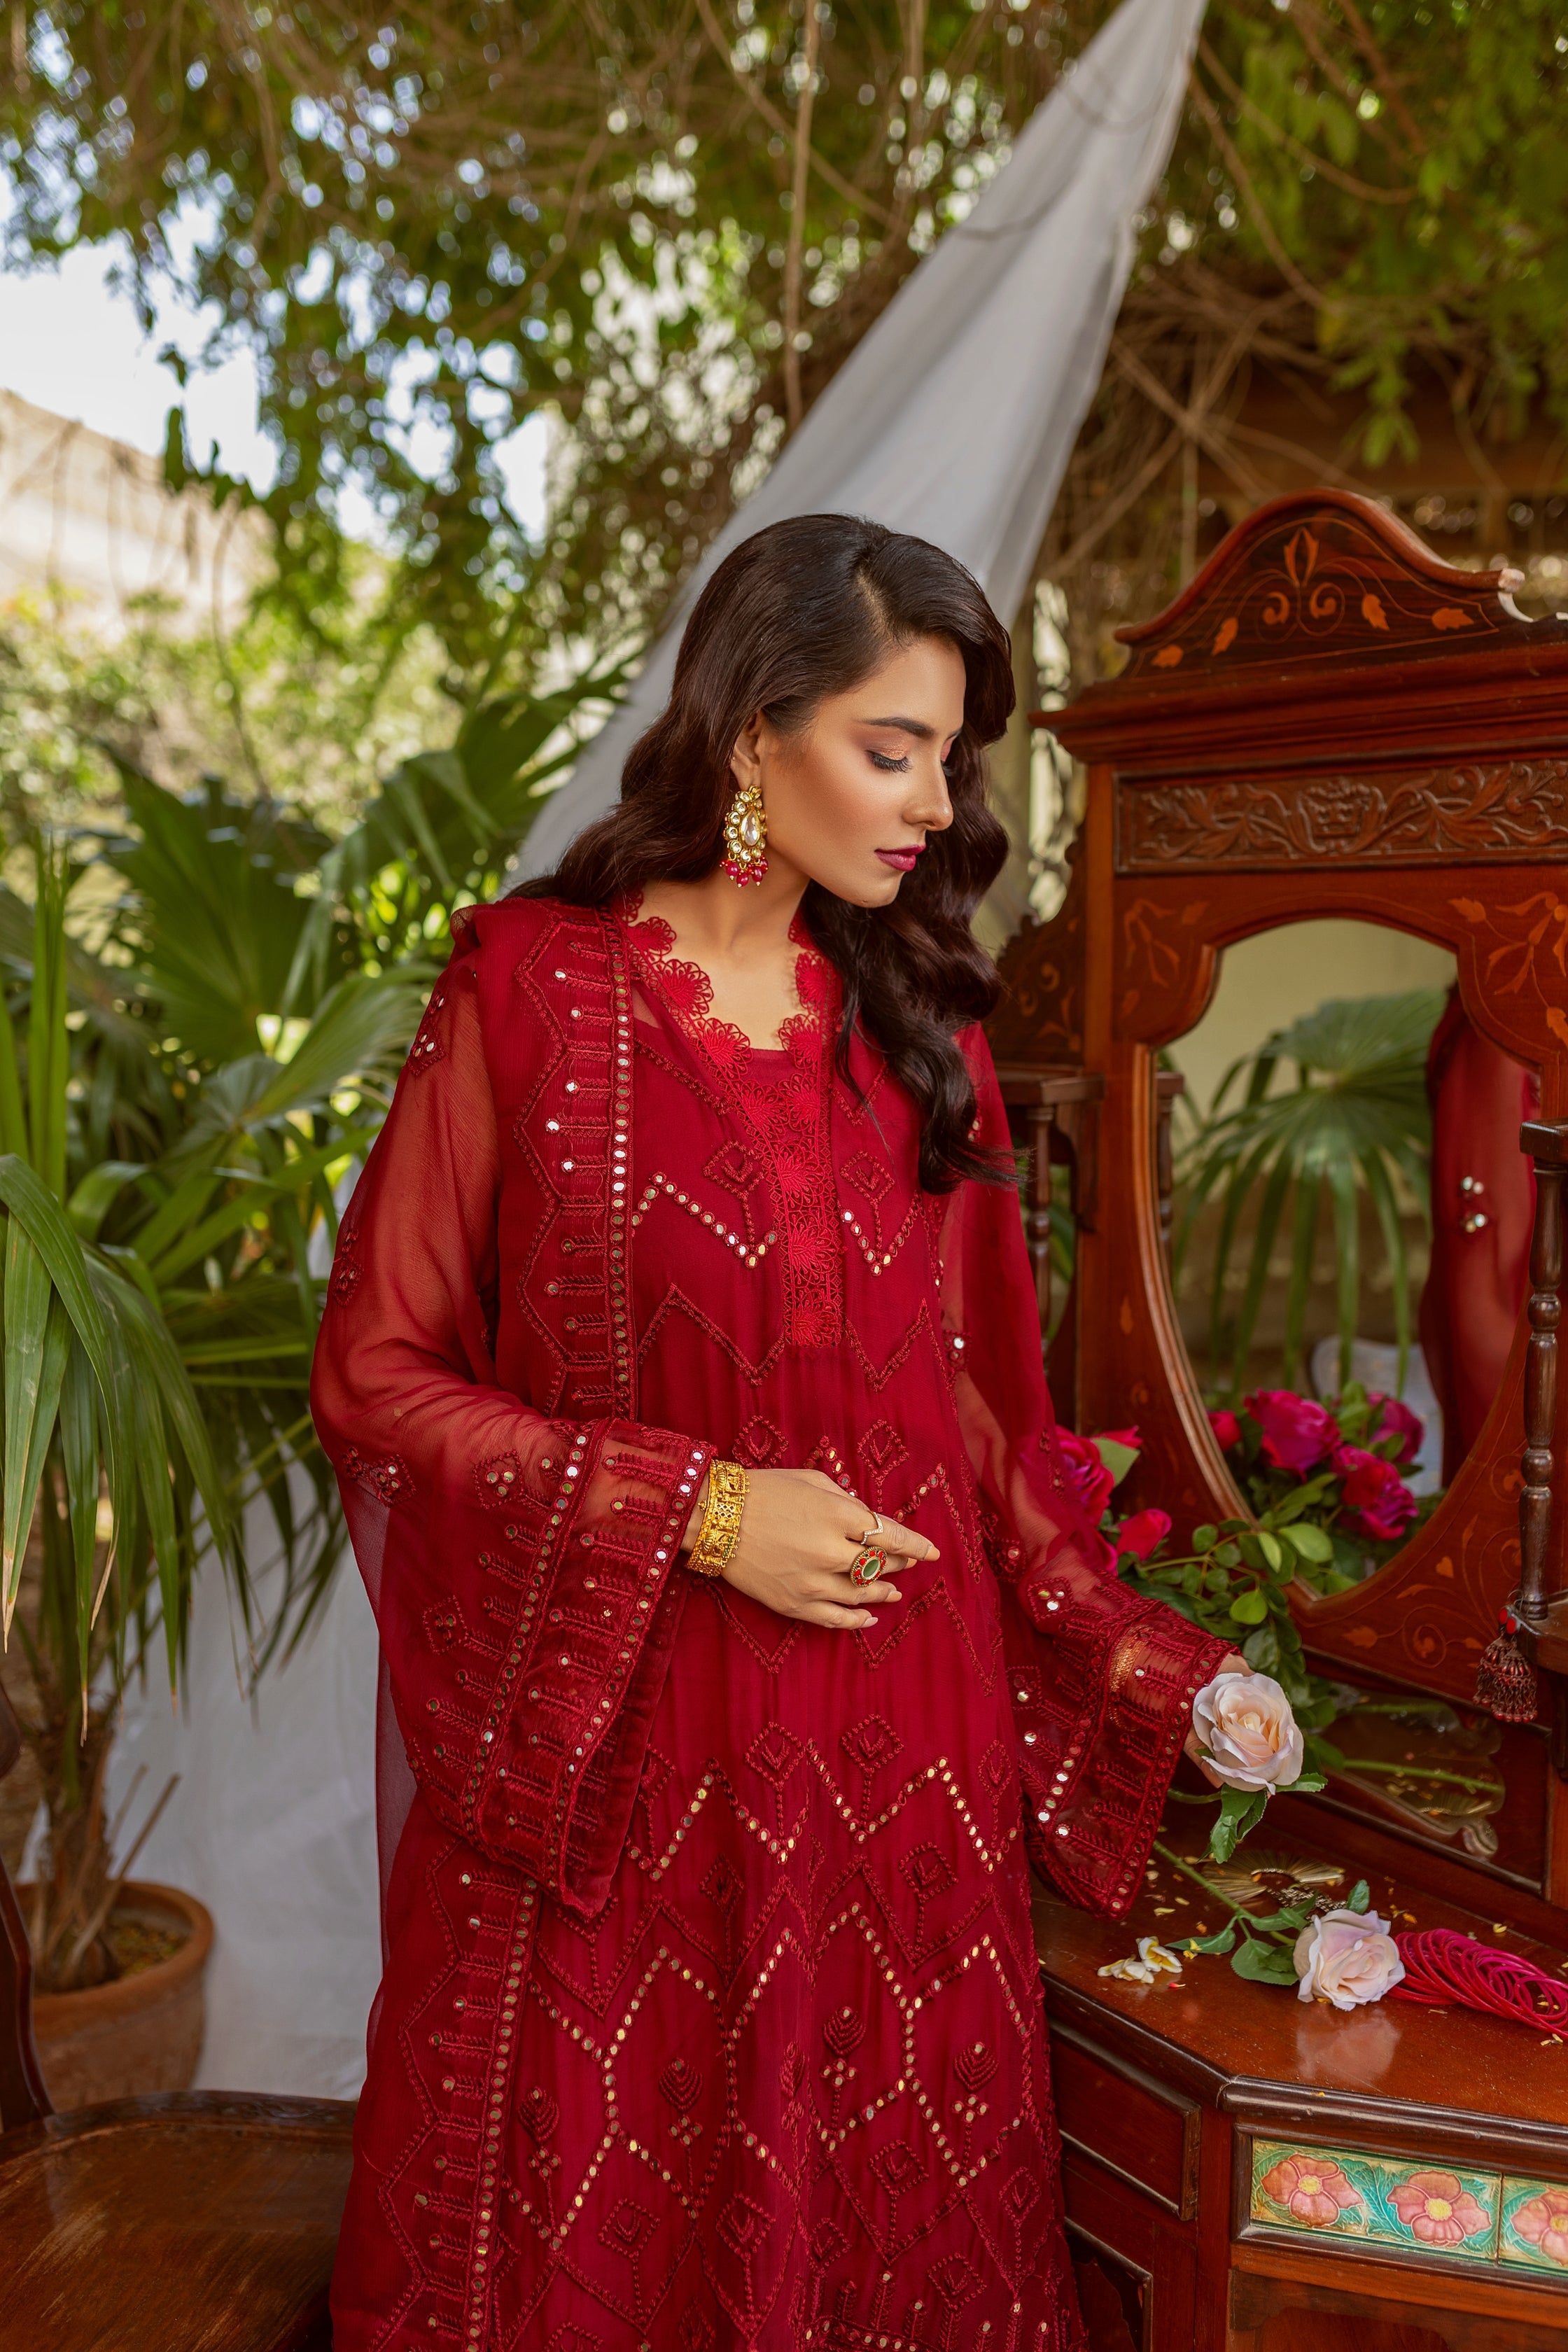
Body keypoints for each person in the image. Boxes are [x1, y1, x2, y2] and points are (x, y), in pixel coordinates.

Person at [312, 514, 1236, 2351]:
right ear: (755, 737)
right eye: (888, 750)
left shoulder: (920, 1037)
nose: (925, 806)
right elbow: (376, 1376)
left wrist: (1147, 1656)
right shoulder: (531, 991)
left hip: (900, 1774)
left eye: (946, 762)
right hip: (623, 1771)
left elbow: (976, 1413)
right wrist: (701, 1511)